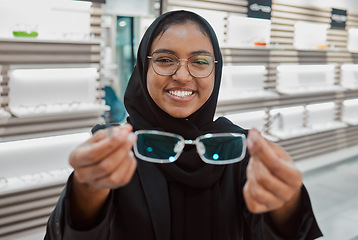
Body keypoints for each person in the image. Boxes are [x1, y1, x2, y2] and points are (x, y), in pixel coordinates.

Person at [45, 10, 322, 240]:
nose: (182, 75)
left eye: (199, 62)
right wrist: (85, 192)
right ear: (143, 66)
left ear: (216, 70)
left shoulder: (236, 150)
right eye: (165, 60)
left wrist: (287, 205)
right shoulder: (115, 149)